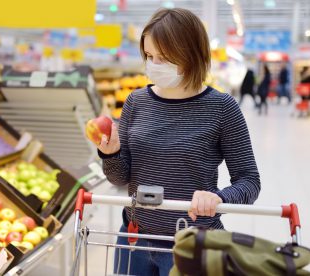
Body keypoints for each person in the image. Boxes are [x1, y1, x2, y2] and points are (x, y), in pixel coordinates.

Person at [87, 8, 261, 276]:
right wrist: (111, 154)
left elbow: (249, 180)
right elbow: (121, 178)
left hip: (192, 243)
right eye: (149, 56)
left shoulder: (221, 107)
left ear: (191, 55)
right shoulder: (137, 102)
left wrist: (218, 198)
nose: (154, 65)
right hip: (134, 239)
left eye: (165, 58)